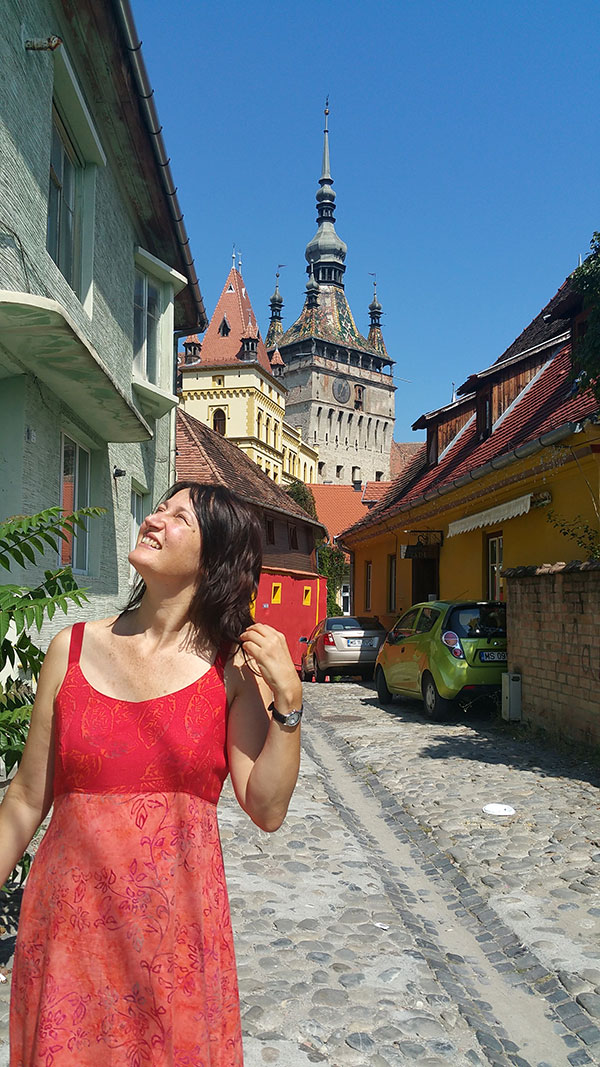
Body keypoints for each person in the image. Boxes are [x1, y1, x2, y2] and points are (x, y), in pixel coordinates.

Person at [0, 481, 303, 1066]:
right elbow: (24, 801)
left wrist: (288, 704)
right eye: (159, 507)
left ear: (213, 558)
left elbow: (266, 808)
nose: (155, 519)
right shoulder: (72, 647)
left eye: (179, 517)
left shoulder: (233, 670)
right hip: (70, 933)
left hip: (177, 944)